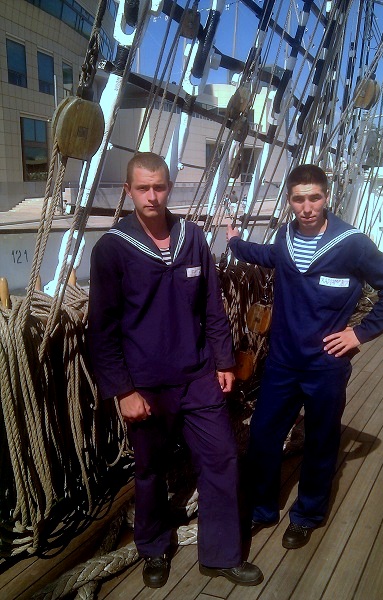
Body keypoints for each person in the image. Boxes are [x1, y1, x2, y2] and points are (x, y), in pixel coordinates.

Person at [88, 152, 263, 588]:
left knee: (221, 458)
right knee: (150, 470)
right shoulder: (112, 249)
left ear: (169, 188)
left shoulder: (192, 237)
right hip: (145, 385)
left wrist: (223, 359)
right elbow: (102, 329)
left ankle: (220, 555)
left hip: (198, 375)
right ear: (128, 192)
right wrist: (122, 391)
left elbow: (211, 304)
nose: (152, 196)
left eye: (159, 187)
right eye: (143, 188)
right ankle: (153, 547)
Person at [226, 164, 383, 550]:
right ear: (289, 200)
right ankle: (262, 507)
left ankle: (307, 513)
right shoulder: (284, 236)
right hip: (282, 362)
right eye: (298, 199)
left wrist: (359, 333)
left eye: (314, 198)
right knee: (262, 435)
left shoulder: (351, 243)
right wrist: (235, 242)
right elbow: (267, 255)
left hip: (326, 365)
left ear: (327, 198)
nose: (307, 207)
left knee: (322, 441)